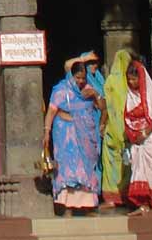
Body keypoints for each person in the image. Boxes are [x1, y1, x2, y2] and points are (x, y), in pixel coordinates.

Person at [44, 59, 105, 211]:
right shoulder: (60, 90)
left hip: (85, 134)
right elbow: (51, 111)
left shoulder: (89, 89)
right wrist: (47, 131)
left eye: (83, 78)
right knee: (67, 166)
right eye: (77, 78)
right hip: (66, 134)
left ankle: (86, 203)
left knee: (85, 167)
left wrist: (96, 94)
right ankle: (66, 203)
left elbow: (103, 108)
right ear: (71, 76)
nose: (80, 81)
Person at [123, 59, 152, 211]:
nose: (131, 82)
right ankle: (143, 206)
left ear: (141, 78)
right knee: (139, 171)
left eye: (134, 79)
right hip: (138, 142)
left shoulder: (150, 97)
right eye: (129, 79)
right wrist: (135, 135)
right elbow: (127, 117)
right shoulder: (130, 96)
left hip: (151, 140)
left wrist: (145, 132)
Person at [100, 49, 133, 207]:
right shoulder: (131, 82)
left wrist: (102, 124)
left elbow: (106, 106)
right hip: (127, 130)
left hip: (112, 129)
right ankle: (127, 195)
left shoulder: (111, 81)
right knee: (127, 163)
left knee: (110, 163)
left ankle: (112, 198)